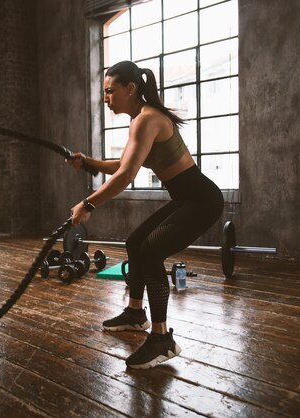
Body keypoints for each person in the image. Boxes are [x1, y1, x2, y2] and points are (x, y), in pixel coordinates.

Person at [67, 60, 223, 369]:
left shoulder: (147, 120)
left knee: (151, 251)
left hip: (202, 200)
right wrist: (87, 163)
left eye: (110, 92)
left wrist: (88, 204)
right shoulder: (141, 120)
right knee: (136, 241)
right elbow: (122, 165)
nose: (106, 98)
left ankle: (162, 339)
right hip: (186, 198)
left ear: (131, 89)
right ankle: (136, 314)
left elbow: (125, 176)